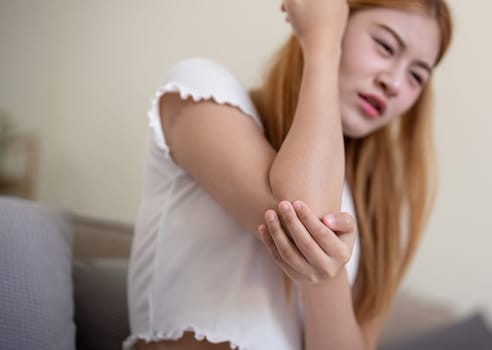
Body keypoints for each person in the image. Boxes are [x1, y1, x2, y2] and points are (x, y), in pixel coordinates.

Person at [125, 0, 452, 349]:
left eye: (416, 76)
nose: (394, 83)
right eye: (385, 47)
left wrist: (324, 273)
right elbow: (304, 212)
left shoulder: (370, 213)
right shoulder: (200, 91)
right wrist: (321, 42)